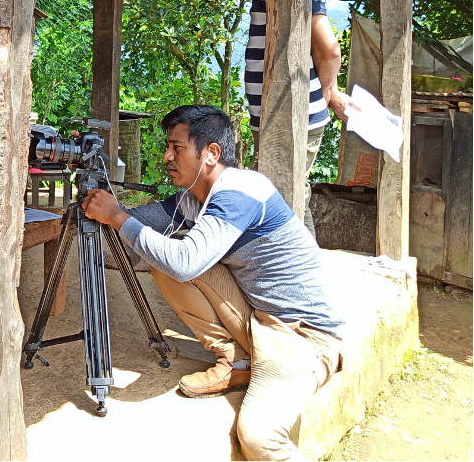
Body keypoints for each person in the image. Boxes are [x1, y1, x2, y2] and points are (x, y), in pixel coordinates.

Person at [81, 105, 344, 461]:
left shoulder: (240, 191)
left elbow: (182, 259)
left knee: (258, 437)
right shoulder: (192, 197)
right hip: (259, 321)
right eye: (167, 146)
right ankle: (236, 361)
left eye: (177, 148)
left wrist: (116, 215)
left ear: (211, 153)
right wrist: (97, 211)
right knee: (165, 254)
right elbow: (143, 225)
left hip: (301, 336)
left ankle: (250, 365)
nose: (166, 156)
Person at [206, 0, 352, 241]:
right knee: (283, 199)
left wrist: (330, 91)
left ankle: (303, 279)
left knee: (284, 203)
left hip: (293, 117)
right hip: (275, 118)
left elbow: (329, 50)